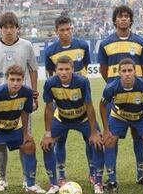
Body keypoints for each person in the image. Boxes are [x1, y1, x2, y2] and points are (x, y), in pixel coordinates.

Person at [0, 12, 39, 192]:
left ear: (17, 28)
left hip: (21, 100)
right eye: (5, 27)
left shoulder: (27, 45)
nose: (8, 30)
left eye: (12, 27)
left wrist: (34, 93)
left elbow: (33, 69)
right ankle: (2, 179)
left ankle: (26, 180)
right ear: (0, 29)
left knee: (25, 139)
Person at [0, 65, 45, 194]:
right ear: (7, 79)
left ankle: (31, 185)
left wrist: (25, 134)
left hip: (13, 127)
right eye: (12, 79)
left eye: (18, 80)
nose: (15, 83)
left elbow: (25, 112)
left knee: (29, 146)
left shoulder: (27, 92)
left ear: (22, 80)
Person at [97, 5, 143, 184]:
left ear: (131, 20)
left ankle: (140, 174)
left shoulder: (141, 42)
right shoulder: (105, 44)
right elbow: (103, 70)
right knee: (112, 137)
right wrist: (114, 85)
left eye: (127, 16)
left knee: (138, 136)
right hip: (115, 96)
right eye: (120, 16)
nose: (124, 19)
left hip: (137, 97)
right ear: (114, 21)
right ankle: (112, 178)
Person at [40, 56, 104, 194]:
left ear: (73, 70)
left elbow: (89, 106)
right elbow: (49, 108)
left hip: (83, 118)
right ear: (56, 70)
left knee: (98, 142)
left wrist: (93, 133)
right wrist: (47, 134)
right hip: (61, 118)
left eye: (67, 69)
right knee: (47, 144)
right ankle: (54, 183)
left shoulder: (82, 81)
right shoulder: (50, 83)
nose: (63, 72)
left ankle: (98, 182)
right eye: (60, 69)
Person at [44, 15, 95, 186]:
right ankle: (61, 174)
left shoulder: (82, 45)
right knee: (61, 139)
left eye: (68, 29)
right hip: (62, 101)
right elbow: (51, 76)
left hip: (81, 96)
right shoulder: (50, 51)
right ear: (56, 31)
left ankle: (93, 172)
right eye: (62, 30)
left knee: (90, 139)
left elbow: (86, 67)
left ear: (72, 28)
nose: (65, 33)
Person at [100, 58, 143, 191]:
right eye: (124, 71)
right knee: (109, 142)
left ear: (135, 72)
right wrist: (106, 130)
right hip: (119, 116)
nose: (127, 74)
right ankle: (112, 181)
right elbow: (102, 106)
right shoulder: (111, 87)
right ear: (119, 73)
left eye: (129, 70)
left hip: (140, 117)